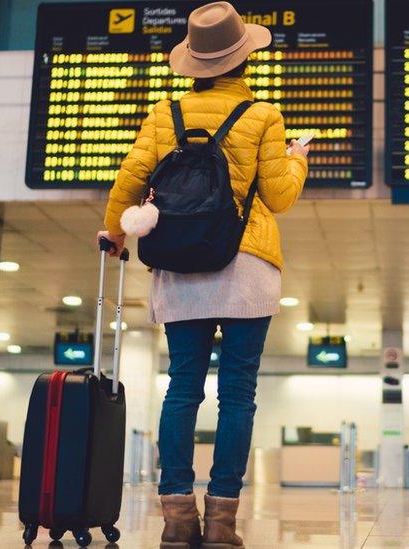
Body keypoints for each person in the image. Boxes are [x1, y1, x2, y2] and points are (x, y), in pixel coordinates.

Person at [98, 2, 308, 547]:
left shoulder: (164, 114)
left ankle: (176, 520)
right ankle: (221, 523)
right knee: (238, 394)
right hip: (246, 264)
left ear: (193, 64)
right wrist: (297, 158)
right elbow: (279, 197)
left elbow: (132, 174)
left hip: (181, 262)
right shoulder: (262, 115)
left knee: (182, 389)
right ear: (244, 60)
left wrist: (114, 232)